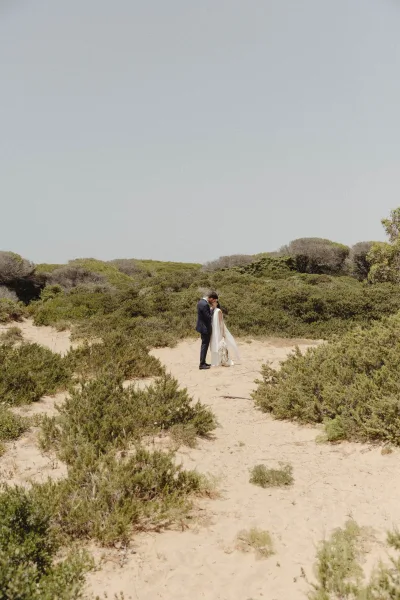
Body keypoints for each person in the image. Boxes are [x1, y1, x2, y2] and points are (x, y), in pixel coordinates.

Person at [210, 301, 240, 367]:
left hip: (218, 331)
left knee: (220, 345)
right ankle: (215, 361)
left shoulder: (218, 311)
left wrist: (223, 332)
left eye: (214, 302)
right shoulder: (211, 310)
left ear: (217, 303)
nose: (212, 303)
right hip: (213, 331)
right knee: (214, 345)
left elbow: (221, 322)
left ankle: (223, 360)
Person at [196, 292, 218, 370]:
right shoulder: (205, 304)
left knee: (204, 345)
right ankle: (202, 364)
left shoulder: (201, 301)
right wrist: (212, 309)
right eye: (213, 301)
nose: (213, 302)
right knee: (204, 345)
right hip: (204, 328)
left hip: (202, 327)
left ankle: (203, 362)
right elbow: (208, 317)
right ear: (210, 298)